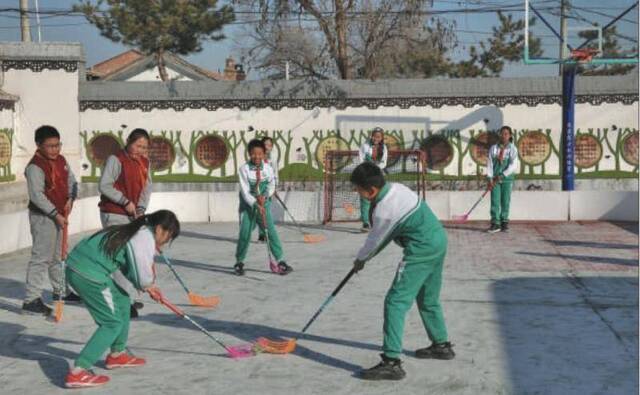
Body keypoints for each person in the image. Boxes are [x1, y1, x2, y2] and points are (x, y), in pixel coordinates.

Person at [350, 162, 454, 381]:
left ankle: (391, 362)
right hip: (438, 241)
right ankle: (441, 345)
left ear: (370, 191)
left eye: (357, 189)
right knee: (428, 298)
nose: (356, 192)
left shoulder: (386, 211)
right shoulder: (396, 188)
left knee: (395, 301)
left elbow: (375, 241)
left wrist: (360, 261)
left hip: (422, 249)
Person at [63, 210, 179, 388]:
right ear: (159, 229)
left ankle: (117, 354)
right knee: (112, 323)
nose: (165, 242)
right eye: (168, 236)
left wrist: (145, 285)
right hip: (87, 273)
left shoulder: (136, 230)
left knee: (123, 299)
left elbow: (127, 264)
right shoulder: (143, 236)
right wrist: (148, 285)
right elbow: (140, 268)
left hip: (81, 266)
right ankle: (78, 371)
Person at [22, 125, 79, 316]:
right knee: (41, 257)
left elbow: (71, 180)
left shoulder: (61, 160)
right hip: (44, 217)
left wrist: (71, 198)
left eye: (58, 145)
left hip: (61, 214)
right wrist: (56, 213)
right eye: (50, 146)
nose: (55, 149)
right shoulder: (35, 167)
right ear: (39, 145)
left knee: (59, 256)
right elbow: (37, 195)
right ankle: (31, 299)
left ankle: (60, 290)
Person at [98, 128, 152, 317]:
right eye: (137, 145)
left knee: (132, 256)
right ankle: (121, 301)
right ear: (128, 141)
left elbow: (147, 187)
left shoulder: (145, 162)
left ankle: (126, 295)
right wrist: (125, 201)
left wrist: (140, 208)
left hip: (132, 215)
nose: (140, 150)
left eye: (144, 147)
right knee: (119, 257)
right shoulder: (116, 159)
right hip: (114, 213)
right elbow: (105, 185)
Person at [234, 139, 292, 276]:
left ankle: (280, 261)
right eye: (253, 154)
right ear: (249, 154)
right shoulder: (244, 169)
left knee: (271, 232)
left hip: (264, 204)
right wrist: (255, 203)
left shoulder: (268, 168)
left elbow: (272, 185)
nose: (257, 157)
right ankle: (239, 262)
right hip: (249, 206)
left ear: (264, 154)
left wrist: (265, 196)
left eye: (260, 154)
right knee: (245, 234)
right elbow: (244, 191)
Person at [486, 126, 519, 233]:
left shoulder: (512, 149)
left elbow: (513, 165)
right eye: (502, 133)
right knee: (495, 201)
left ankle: (504, 222)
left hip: (507, 179)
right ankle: (495, 223)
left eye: (506, 134)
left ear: (510, 136)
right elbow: (490, 164)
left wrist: (503, 175)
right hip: (495, 179)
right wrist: (490, 178)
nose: (504, 136)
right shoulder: (493, 148)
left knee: (505, 201)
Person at [357, 127, 387, 232]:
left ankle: (377, 222)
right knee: (365, 199)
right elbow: (360, 159)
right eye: (374, 136)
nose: (376, 138)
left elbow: (384, 162)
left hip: (377, 176)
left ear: (382, 137)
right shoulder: (365, 146)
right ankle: (366, 223)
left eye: (379, 136)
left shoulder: (384, 148)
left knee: (378, 198)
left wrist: (376, 167)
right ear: (372, 136)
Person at [258, 136, 278, 243]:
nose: (268, 147)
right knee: (260, 211)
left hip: (269, 186)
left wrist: (275, 186)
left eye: (270, 145)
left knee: (266, 211)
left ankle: (266, 234)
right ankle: (262, 234)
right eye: (266, 144)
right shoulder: (257, 156)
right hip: (258, 185)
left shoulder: (272, 157)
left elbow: (275, 172)